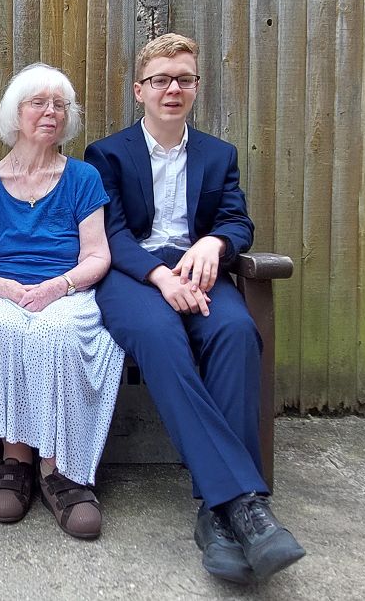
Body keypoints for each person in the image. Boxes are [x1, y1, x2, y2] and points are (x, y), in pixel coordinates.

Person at [85, 33, 306, 583]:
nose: (173, 89)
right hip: (133, 276)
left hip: (198, 270)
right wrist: (160, 276)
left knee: (235, 331)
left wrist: (215, 242)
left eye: (184, 79)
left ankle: (216, 514)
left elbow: (237, 220)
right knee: (161, 338)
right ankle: (246, 504)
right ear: (139, 90)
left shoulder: (218, 154)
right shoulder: (107, 154)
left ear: (197, 87)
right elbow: (111, 233)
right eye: (160, 79)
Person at [0, 63, 123, 540]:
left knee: (56, 333)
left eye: (60, 105)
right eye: (39, 103)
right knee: (4, 329)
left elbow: (98, 255)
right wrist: (7, 290)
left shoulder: (82, 177)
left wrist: (58, 287)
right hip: (2, 290)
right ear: (16, 113)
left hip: (67, 288)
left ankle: (59, 468)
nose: (51, 112)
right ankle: (15, 460)